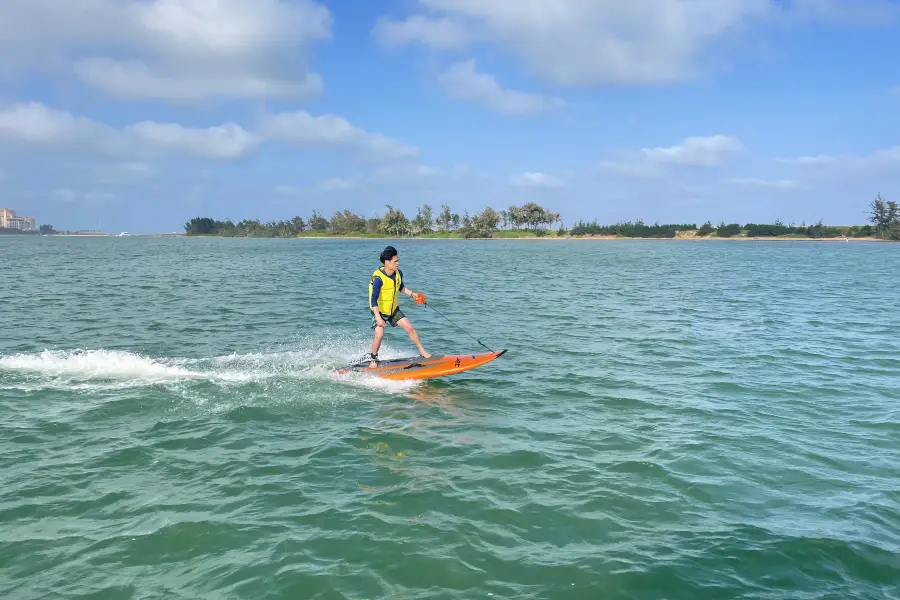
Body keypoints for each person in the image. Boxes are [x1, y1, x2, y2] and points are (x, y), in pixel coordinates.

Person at [363, 246, 430, 367]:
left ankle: (422, 351)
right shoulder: (378, 279)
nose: (398, 263)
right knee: (379, 335)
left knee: (409, 327)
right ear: (387, 262)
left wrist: (413, 294)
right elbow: (373, 300)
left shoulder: (398, 274)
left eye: (398, 260)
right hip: (379, 311)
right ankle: (373, 359)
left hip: (393, 309)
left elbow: (401, 288)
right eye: (395, 261)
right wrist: (378, 317)